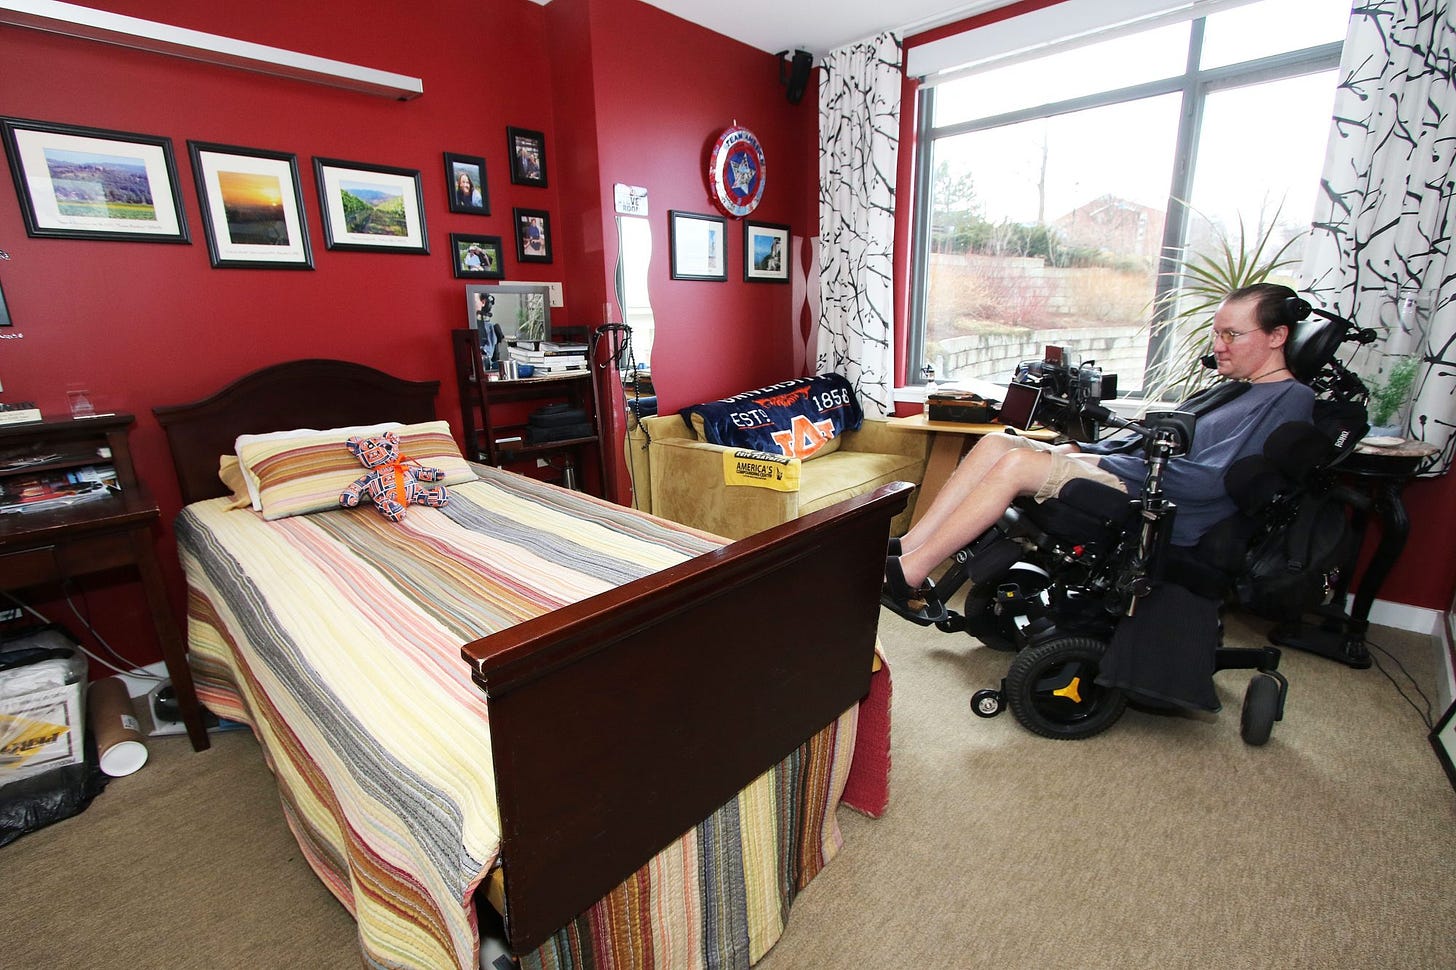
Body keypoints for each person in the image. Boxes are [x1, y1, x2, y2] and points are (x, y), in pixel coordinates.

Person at [883, 282, 1316, 623]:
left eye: (1232, 335)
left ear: (1278, 335)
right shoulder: (1232, 390)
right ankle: (908, 550)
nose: (1218, 345)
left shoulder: (1286, 401)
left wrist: (1103, 461)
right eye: (1217, 333)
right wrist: (1085, 448)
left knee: (1016, 464)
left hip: (1165, 504)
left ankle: (913, 573)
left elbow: (1212, 480)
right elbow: (1150, 438)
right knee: (997, 441)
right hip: (1137, 474)